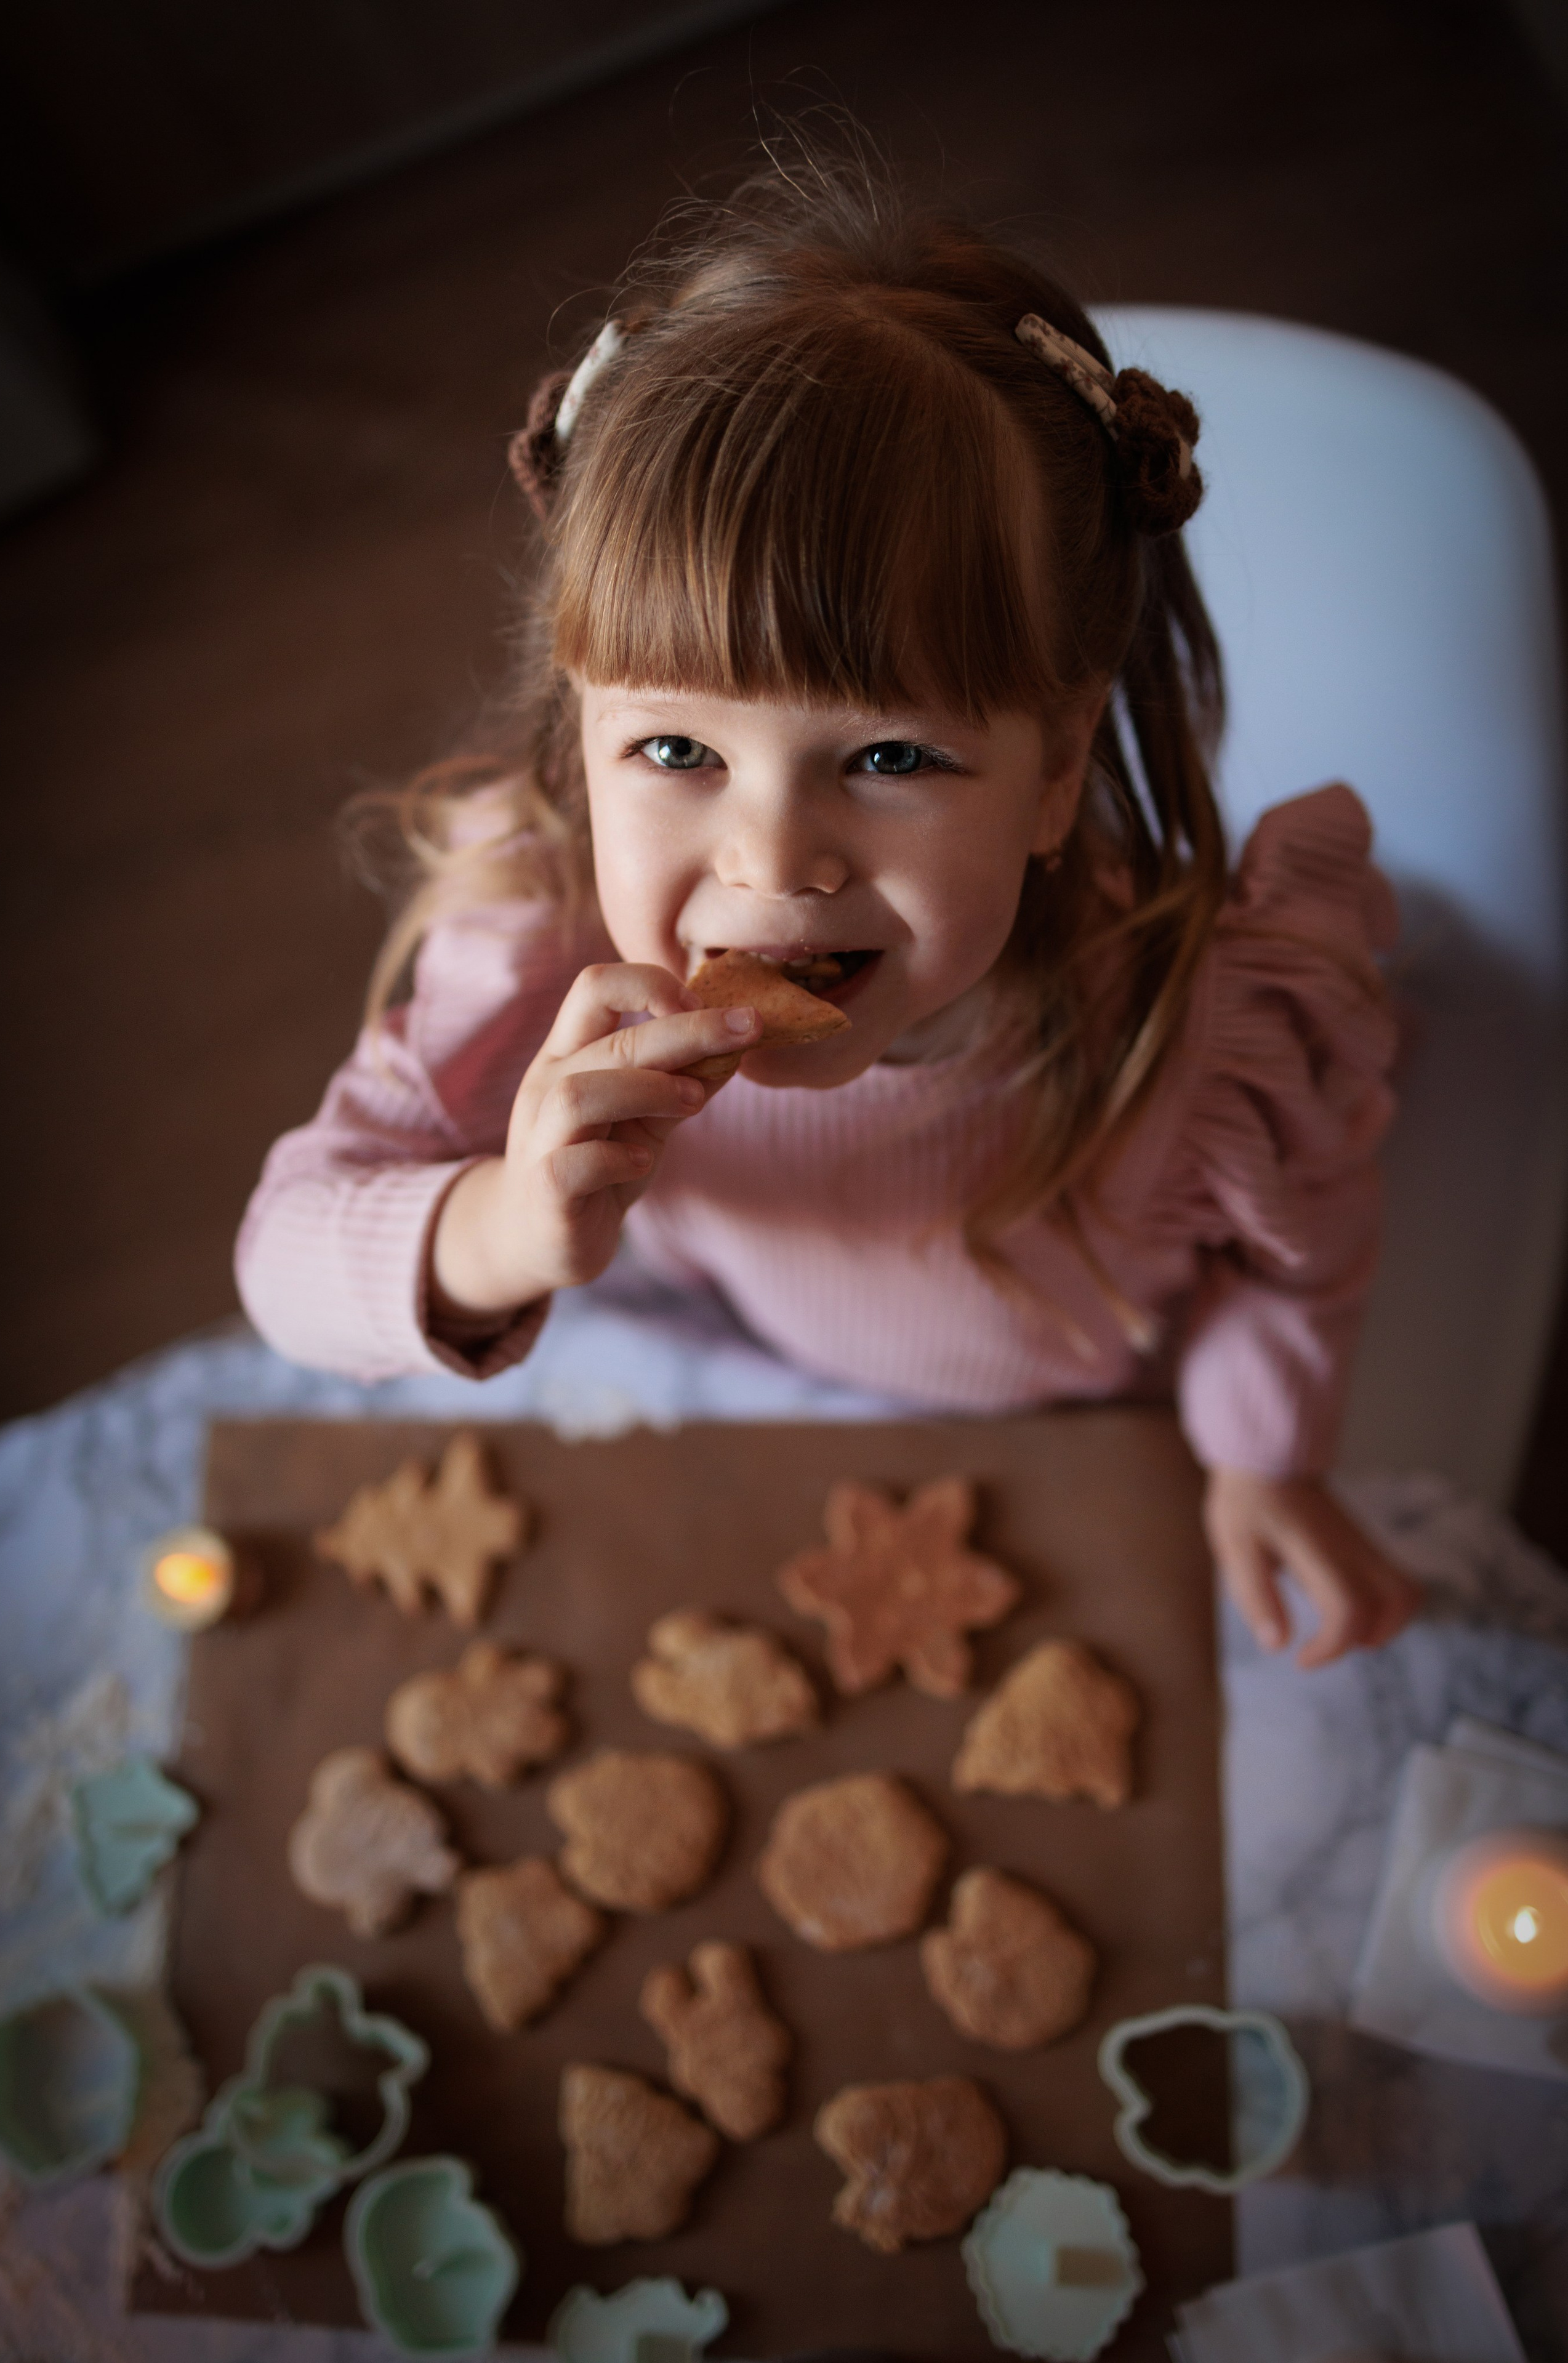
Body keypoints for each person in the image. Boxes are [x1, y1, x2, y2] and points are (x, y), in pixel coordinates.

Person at [236, 147, 1420, 1670]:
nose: (771, 859)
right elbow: (281, 1264)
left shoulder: (1197, 1037)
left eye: (887, 756)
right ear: (585, 727)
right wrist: (508, 1220)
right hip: (749, 1409)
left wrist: (1262, 1453)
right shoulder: (541, 957)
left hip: (1072, 1443)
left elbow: (1299, 1263)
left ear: (1057, 765)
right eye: (676, 749)